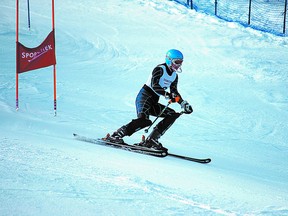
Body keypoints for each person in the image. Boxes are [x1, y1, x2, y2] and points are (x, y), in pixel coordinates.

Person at [106, 49, 193, 151]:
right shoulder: (159, 69)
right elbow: (154, 85)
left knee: (172, 114)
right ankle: (116, 135)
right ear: (169, 60)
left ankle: (151, 140)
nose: (178, 65)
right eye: (176, 62)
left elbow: (174, 92)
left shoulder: (174, 76)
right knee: (144, 121)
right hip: (144, 96)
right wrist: (167, 94)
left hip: (154, 100)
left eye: (180, 62)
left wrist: (182, 103)